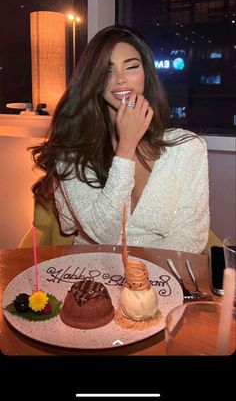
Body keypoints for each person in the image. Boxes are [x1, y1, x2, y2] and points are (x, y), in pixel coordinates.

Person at [30, 25, 209, 253]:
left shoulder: (187, 148)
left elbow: (191, 239)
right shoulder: (72, 151)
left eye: (131, 67)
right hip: (91, 273)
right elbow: (104, 234)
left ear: (146, 74)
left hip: (160, 277)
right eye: (107, 71)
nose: (121, 80)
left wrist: (141, 278)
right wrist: (126, 148)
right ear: (93, 79)